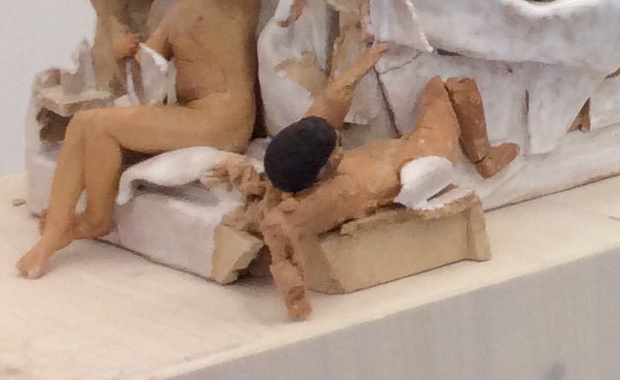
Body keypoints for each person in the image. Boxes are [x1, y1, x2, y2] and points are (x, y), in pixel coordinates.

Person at [19, 0, 260, 279]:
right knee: (84, 122)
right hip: (190, 115)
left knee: (101, 126)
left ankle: (88, 222)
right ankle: (63, 227)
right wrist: (127, 55)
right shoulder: (178, 12)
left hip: (223, 121)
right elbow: (148, 70)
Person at [222, 41, 518, 320]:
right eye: (334, 151)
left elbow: (325, 110)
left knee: (437, 88)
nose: (338, 148)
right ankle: (485, 158)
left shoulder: (294, 168)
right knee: (452, 89)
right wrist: (296, 300)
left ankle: (480, 156)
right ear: (319, 171)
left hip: (396, 151)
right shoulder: (320, 201)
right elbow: (281, 240)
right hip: (415, 164)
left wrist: (362, 65)